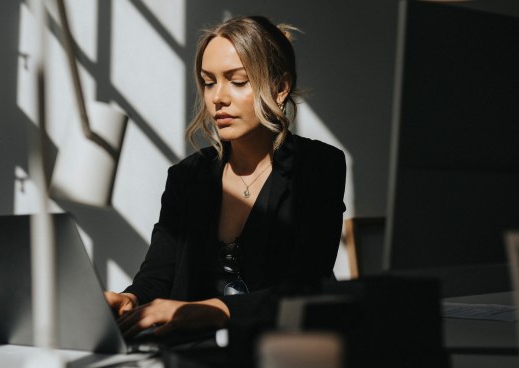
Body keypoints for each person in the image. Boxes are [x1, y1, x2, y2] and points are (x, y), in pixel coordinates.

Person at [105, 15, 346, 338]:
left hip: (286, 354)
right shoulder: (186, 177)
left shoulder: (317, 166)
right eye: (209, 82)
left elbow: (306, 286)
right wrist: (129, 298)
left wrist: (216, 310)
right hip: (192, 358)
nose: (218, 97)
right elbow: (158, 275)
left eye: (237, 80)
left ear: (280, 88)